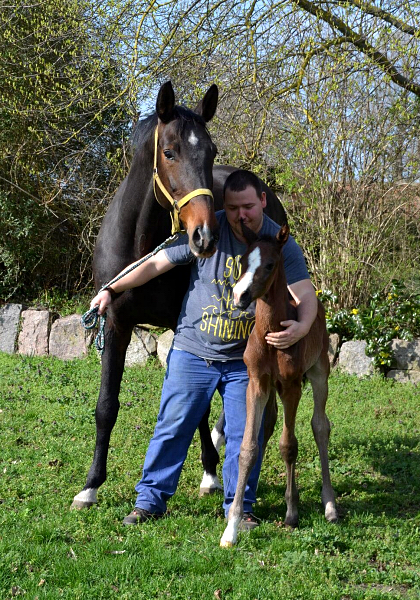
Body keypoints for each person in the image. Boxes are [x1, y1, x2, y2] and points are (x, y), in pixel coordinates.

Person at [91, 169, 318, 527]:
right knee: (172, 427)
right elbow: (154, 263)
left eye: (247, 206)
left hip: (244, 360)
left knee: (248, 434)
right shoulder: (208, 231)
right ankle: (149, 502)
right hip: (193, 349)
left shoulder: (279, 241)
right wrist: (112, 289)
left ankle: (240, 506)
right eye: (231, 208)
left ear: (262, 201)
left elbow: (305, 293)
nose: (239, 215)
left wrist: (302, 326)